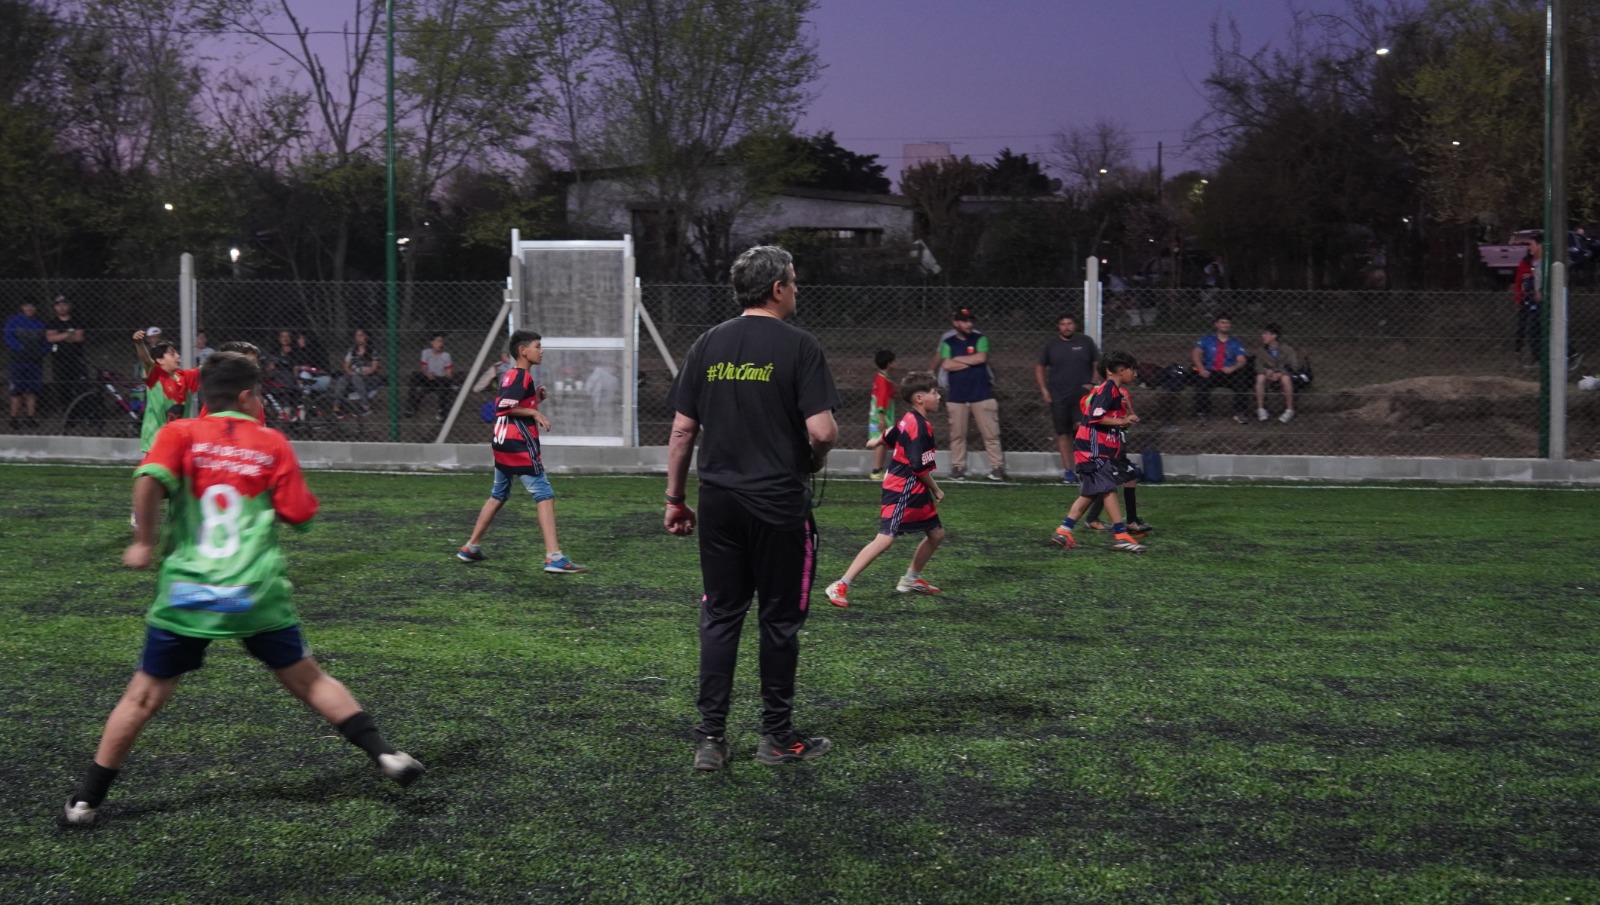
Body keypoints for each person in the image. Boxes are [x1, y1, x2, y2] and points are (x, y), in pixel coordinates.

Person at [61, 352, 423, 827]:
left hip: (190, 593)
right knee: (310, 680)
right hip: (253, 592)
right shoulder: (271, 441)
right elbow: (300, 514)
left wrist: (144, 542)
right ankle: (385, 754)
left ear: (204, 395)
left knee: (143, 697)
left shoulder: (179, 433)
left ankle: (86, 801)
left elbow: (148, 479)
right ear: (249, 396)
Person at [663, 245, 839, 772]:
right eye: (794, 280)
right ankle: (776, 737)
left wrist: (675, 499)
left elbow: (682, 431)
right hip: (778, 505)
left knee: (721, 615)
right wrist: (812, 459)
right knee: (779, 622)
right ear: (778, 288)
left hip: (719, 503)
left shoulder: (707, 342)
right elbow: (823, 431)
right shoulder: (800, 345)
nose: (797, 288)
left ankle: (710, 739)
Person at [456, 330, 587, 574]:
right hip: (519, 445)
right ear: (523, 351)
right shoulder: (522, 376)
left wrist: (534, 400)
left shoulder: (510, 375)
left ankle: (470, 547)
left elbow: (512, 404)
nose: (542, 350)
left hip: (501, 444)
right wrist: (535, 412)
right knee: (544, 495)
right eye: (537, 346)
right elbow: (502, 407)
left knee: (498, 495)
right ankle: (554, 557)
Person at [825, 371, 946, 607]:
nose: (939, 396)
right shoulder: (920, 427)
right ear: (919, 398)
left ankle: (910, 580)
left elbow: (893, 432)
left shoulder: (910, 419)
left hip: (912, 487)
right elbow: (919, 468)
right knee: (885, 539)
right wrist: (936, 489)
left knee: (936, 534)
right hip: (902, 488)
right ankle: (840, 584)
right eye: (934, 392)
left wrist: (876, 441)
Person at [1049, 351, 1148, 555]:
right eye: (1132, 370)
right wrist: (1122, 420)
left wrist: (1124, 423)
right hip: (1092, 448)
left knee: (1091, 493)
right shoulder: (1108, 389)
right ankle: (1121, 536)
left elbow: (1106, 420)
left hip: (1093, 447)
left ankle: (1063, 531)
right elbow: (1096, 417)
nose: (1135, 374)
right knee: (1108, 488)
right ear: (1121, 370)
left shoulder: (1115, 391)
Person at [939, 308, 1005, 480]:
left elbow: (981, 358)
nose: (969, 324)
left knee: (991, 433)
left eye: (970, 321)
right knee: (957, 434)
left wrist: (957, 360)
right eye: (964, 321)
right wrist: (970, 361)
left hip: (981, 394)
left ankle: (997, 467)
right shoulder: (948, 343)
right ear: (956, 323)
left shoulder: (980, 339)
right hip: (957, 396)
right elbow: (946, 365)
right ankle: (957, 467)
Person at [1034, 314, 1099, 482]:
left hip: (1082, 395)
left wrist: (1092, 384)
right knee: (1063, 433)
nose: (1066, 327)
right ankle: (1068, 471)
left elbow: (1097, 363)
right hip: (1059, 396)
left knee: (1082, 429)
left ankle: (1085, 466)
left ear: (1075, 325)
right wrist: (1044, 391)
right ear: (1058, 326)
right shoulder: (1051, 345)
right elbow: (1040, 367)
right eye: (1063, 324)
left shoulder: (1086, 342)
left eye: (1069, 323)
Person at [132, 329, 199, 453]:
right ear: (160, 360)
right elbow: (147, 361)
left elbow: (208, 369)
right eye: (172, 354)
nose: (178, 356)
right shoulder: (155, 375)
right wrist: (139, 344)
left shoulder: (185, 377)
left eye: (177, 353)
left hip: (178, 443)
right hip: (155, 443)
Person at [1190, 313, 1251, 424]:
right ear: (1216, 324)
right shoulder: (1207, 339)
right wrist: (1201, 369)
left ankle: (1240, 412)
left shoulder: (1235, 342)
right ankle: (1202, 413)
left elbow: (1242, 360)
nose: (1225, 325)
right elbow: (1196, 353)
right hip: (1210, 371)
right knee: (1201, 384)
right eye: (1222, 322)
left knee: (1242, 382)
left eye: (1228, 323)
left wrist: (1233, 368)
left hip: (1228, 371)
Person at [6, 301, 48, 428]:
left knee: (32, 391)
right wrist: (20, 348)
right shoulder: (13, 321)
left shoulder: (40, 324)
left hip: (35, 362)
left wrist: (42, 351)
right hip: (17, 362)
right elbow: (8, 337)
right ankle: (14, 418)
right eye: (27, 306)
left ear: (35, 308)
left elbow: (47, 341)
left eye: (32, 306)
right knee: (16, 391)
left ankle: (30, 417)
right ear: (22, 307)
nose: (29, 308)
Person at [47, 296, 90, 412]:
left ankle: (84, 411)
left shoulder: (77, 321)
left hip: (76, 359)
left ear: (69, 306)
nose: (61, 307)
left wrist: (59, 335)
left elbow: (79, 337)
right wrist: (68, 334)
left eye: (64, 304)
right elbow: (50, 338)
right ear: (55, 307)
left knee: (81, 386)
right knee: (62, 387)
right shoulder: (52, 322)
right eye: (58, 305)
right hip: (59, 360)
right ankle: (68, 413)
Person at [1254, 323, 1301, 423]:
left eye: (1266, 333)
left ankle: (1290, 409)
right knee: (1260, 377)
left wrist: (1280, 373)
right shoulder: (1261, 350)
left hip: (1282, 375)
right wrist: (1266, 371)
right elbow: (1257, 366)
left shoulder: (1287, 349)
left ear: (1274, 336)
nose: (1263, 336)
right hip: (1268, 375)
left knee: (1285, 378)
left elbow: (1294, 366)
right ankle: (1261, 409)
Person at [407, 333, 455, 421]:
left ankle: (441, 411)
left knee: (444, 383)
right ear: (432, 343)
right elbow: (423, 367)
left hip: (440, 379)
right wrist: (427, 373)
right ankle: (411, 407)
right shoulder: (426, 352)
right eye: (438, 341)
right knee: (415, 375)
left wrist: (449, 376)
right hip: (428, 377)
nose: (441, 344)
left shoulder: (446, 355)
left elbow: (449, 373)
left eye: (442, 342)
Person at [332, 328, 380, 415]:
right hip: (354, 375)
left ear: (366, 337)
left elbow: (374, 368)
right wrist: (349, 371)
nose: (358, 338)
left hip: (369, 377)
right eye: (356, 336)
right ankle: (337, 407)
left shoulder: (372, 350)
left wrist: (362, 374)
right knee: (342, 379)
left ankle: (365, 406)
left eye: (361, 335)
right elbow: (346, 366)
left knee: (356, 378)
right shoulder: (352, 350)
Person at [1513, 235, 1543, 365]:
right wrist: (1518, 297)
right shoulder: (1525, 262)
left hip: (1538, 299)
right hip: (1527, 298)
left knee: (1535, 328)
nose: (1529, 247)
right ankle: (1519, 348)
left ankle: (1537, 357)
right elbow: (1518, 281)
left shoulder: (1543, 262)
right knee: (1523, 324)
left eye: (1531, 244)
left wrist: (1532, 275)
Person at [867, 349, 897, 480]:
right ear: (889, 363)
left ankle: (878, 469)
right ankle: (876, 470)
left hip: (877, 417)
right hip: (880, 417)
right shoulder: (883, 381)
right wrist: (881, 419)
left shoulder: (880, 378)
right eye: (894, 361)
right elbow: (881, 401)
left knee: (882, 442)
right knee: (881, 442)